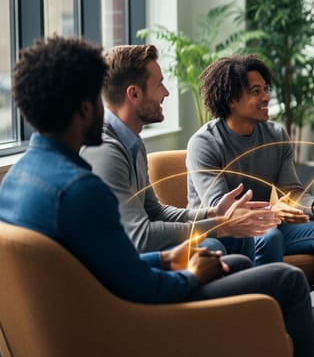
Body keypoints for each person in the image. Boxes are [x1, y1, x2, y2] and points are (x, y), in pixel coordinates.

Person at [0, 36, 314, 357]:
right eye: (97, 97)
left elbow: (97, 264)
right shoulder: (80, 188)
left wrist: (192, 241)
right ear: (83, 107)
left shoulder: (17, 176)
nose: (104, 105)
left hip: (88, 313)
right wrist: (190, 273)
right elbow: (139, 276)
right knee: (284, 278)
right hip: (125, 329)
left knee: (233, 262)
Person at [186, 54, 314, 357]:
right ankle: (268, 337)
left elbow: (292, 191)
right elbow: (224, 210)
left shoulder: (275, 134)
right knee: (269, 234)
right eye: (256, 91)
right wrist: (276, 211)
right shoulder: (204, 143)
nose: (266, 97)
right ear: (232, 99)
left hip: (268, 223)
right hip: (223, 234)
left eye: (265, 89)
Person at [80, 44, 277, 256]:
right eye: (159, 85)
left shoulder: (132, 141)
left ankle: (248, 289)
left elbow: (155, 211)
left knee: (238, 239)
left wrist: (213, 213)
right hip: (123, 262)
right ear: (134, 94)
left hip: (141, 248)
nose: (165, 93)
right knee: (212, 246)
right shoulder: (106, 151)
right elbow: (140, 237)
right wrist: (219, 226)